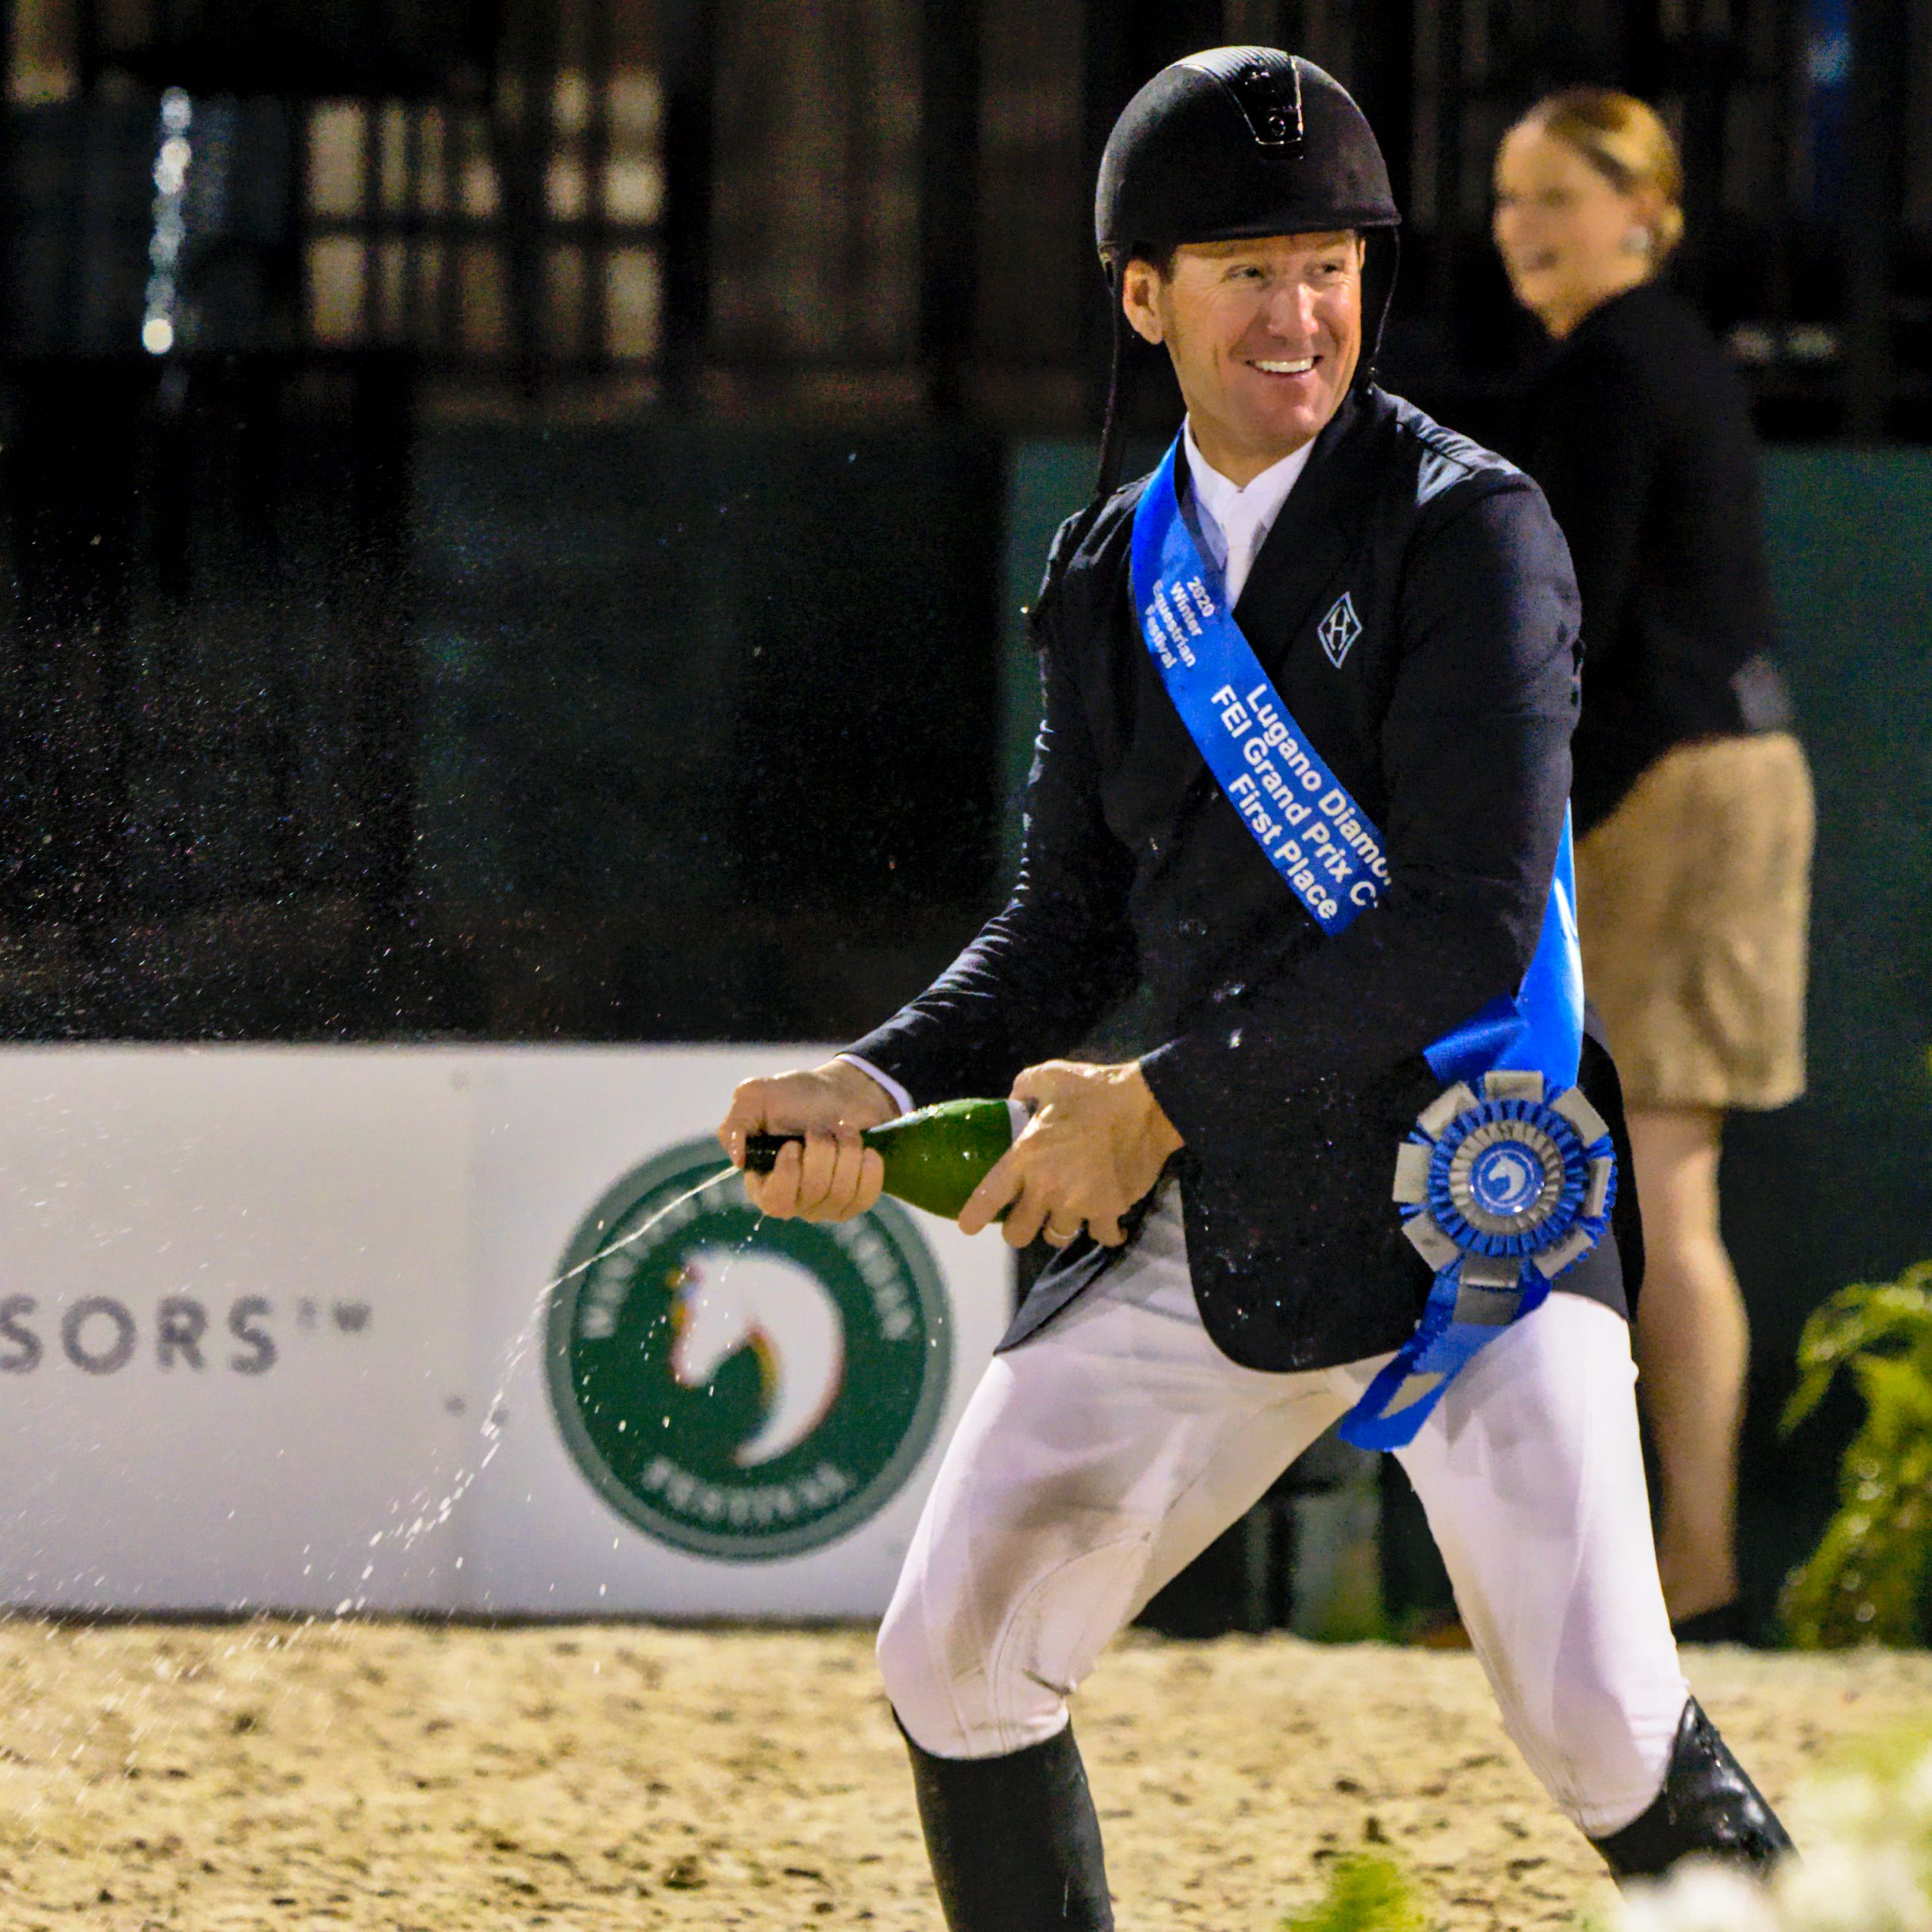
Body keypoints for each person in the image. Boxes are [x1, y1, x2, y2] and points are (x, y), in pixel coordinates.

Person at [718, 50, 1792, 1930]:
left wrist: (1147, 1106)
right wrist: (870, 1086)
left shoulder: (1473, 529)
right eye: (1244, 271)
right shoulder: (1106, 564)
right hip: (1229, 1207)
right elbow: (1058, 928)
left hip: (1477, 1194)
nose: (1298, 315)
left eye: (1328, 265)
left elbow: (1463, 924)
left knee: (1605, 1727)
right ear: (1142, 294)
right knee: (954, 1652)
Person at [1493, 91, 1814, 1638]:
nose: (1521, 226)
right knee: (1644, 1191)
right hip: (1701, 778)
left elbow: (1584, 635)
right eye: (1506, 199)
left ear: (1643, 208)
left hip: (1675, 791)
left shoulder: (1615, 365)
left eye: (1556, 194)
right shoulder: (1636, 358)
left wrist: (1510, 823)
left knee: (1659, 1193)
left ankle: (1685, 1552)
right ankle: (1658, 1551)